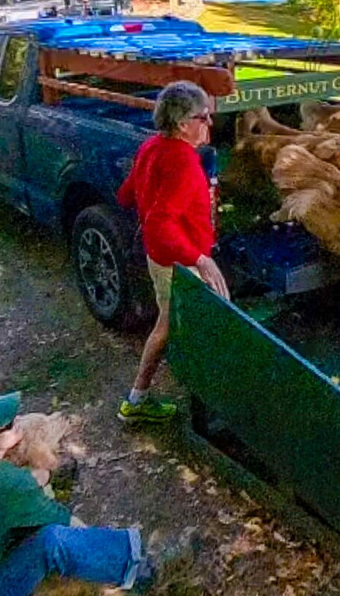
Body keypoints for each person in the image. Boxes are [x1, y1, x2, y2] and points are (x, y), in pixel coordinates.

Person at [0, 392, 185, 596]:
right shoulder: (4, 484)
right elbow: (67, 525)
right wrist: (92, 546)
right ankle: (142, 570)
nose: (17, 424)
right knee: (52, 541)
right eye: (9, 425)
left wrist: (38, 478)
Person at [117, 81, 230, 424]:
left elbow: (126, 194)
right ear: (183, 124)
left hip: (163, 257)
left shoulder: (152, 146)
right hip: (178, 263)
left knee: (179, 323)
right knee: (171, 327)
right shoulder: (183, 162)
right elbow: (159, 226)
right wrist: (201, 259)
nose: (209, 123)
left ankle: (153, 397)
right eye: (204, 117)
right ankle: (139, 400)